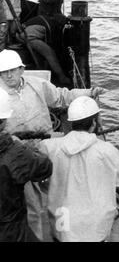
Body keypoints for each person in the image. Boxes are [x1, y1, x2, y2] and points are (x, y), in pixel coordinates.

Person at [0, 49, 104, 240]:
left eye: (12, 70)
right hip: (18, 157)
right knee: (32, 205)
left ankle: (62, 232)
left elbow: (61, 96)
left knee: (57, 196)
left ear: (21, 69)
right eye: (3, 72)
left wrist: (89, 92)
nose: (8, 75)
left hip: (46, 150)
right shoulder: (1, 97)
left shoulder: (37, 85)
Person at [39, 96, 119, 242]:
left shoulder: (49, 147)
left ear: (71, 123)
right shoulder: (107, 151)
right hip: (94, 228)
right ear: (94, 122)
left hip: (62, 221)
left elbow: (40, 178)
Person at [0, 87, 52, 242]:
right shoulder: (14, 153)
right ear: (3, 122)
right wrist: (24, 147)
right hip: (9, 229)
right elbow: (44, 167)